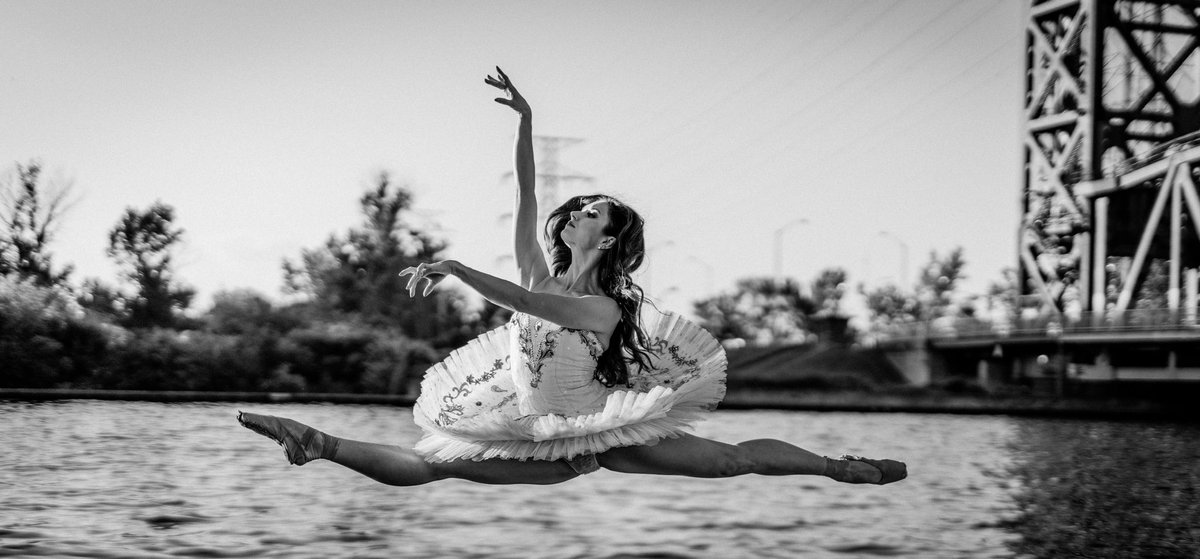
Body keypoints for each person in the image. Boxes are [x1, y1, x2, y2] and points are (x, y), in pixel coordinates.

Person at [238, 67, 906, 487]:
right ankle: (315, 441)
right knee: (431, 466)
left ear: (608, 236)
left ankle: (839, 466)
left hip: (595, 428)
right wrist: (527, 122)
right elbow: (526, 196)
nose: (576, 211)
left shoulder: (603, 308)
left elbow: (527, 301)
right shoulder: (541, 267)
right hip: (535, 428)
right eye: (579, 205)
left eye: (592, 210)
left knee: (732, 461)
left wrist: (456, 267)